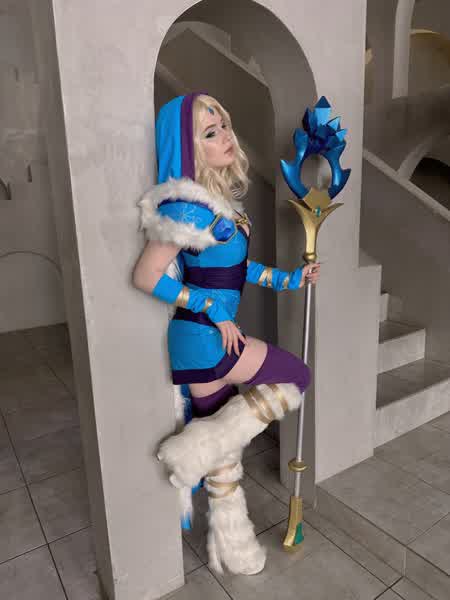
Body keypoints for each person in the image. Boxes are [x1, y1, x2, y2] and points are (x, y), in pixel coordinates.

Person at [133, 92, 320, 575]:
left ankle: (236, 549)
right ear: (189, 147)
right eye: (210, 132)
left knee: (224, 458)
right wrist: (212, 308)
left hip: (206, 339)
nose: (226, 137)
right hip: (201, 336)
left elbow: (237, 270)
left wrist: (290, 280)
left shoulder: (218, 206)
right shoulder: (186, 207)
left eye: (225, 126)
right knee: (295, 375)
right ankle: (200, 445)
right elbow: (147, 276)